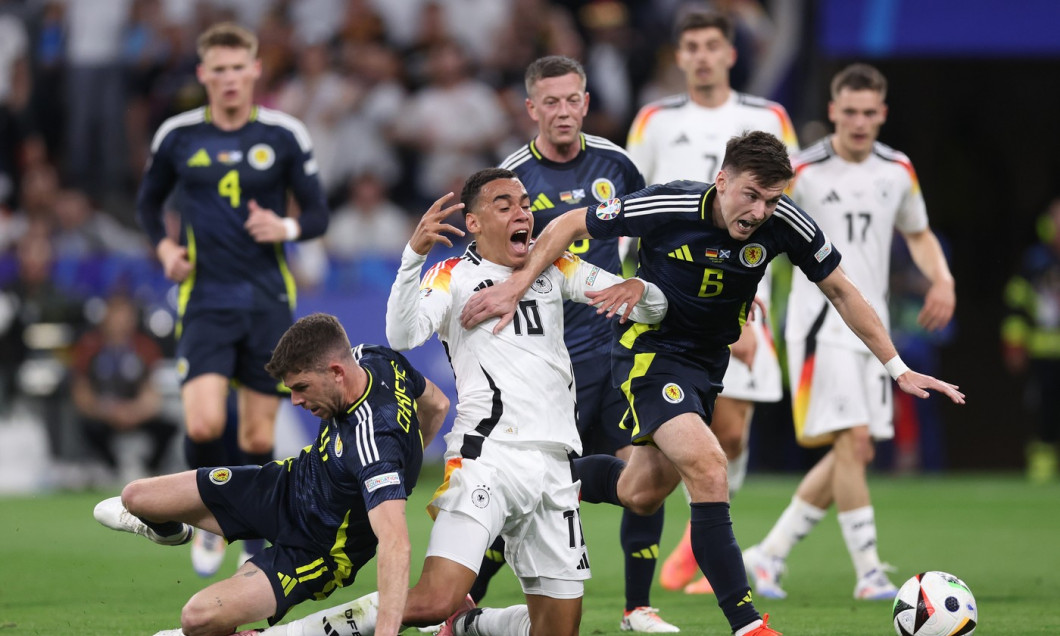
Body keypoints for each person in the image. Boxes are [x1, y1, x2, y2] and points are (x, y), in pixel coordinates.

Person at [460, 131, 967, 636]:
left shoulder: (785, 223)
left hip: (707, 366)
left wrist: (897, 367)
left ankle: (542, 482)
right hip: (650, 354)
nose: (760, 211)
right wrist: (514, 287)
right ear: (721, 181)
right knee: (708, 467)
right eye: (751, 195)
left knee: (639, 492)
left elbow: (841, 289)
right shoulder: (672, 202)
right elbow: (573, 221)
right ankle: (747, 624)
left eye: (772, 199)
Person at [253, 167, 667, 636]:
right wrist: (413, 256)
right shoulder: (451, 276)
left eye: (525, 204)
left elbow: (654, 307)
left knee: (557, 631)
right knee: (432, 600)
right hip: (487, 456)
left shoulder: (553, 265)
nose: (522, 214)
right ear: (473, 222)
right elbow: (401, 335)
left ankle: (467, 625)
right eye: (504, 205)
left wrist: (638, 288)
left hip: (554, 465)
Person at [474, 55, 677, 633]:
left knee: (648, 471)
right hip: (547, 359)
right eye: (551, 102)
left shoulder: (617, 163)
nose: (563, 112)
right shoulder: (513, 178)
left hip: (620, 347)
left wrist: (662, 294)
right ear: (531, 108)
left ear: (586, 103)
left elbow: (654, 236)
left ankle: (638, 606)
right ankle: (462, 600)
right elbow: (490, 260)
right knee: (528, 485)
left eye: (572, 100)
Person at [739, 64, 956, 601]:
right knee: (852, 441)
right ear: (833, 111)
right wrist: (750, 307)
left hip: (870, 327)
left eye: (869, 112)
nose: (859, 122)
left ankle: (768, 554)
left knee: (852, 452)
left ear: (882, 114)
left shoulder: (897, 170)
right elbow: (760, 243)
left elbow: (919, 232)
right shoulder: (803, 174)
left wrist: (943, 280)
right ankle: (868, 574)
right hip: (819, 328)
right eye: (849, 111)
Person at [93, 312, 450, 636]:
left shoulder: (374, 446)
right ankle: (175, 533)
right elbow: (437, 404)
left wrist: (393, 477)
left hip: (315, 549)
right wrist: (407, 464)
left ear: (336, 374)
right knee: (136, 498)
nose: (295, 401)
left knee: (197, 619)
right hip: (286, 485)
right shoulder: (376, 357)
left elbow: (396, 543)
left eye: (301, 388)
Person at [135, 22, 330, 576]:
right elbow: (148, 206)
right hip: (204, 300)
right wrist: (165, 247)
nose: (227, 79)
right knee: (200, 424)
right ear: (203, 75)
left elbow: (317, 213)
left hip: (268, 301)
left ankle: (249, 531)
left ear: (254, 71)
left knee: (255, 435)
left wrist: (285, 227)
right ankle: (206, 520)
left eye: (236, 68)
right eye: (216, 70)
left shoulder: (284, 134)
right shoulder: (178, 136)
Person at [625, 9, 799, 595]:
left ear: (731, 53)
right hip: (669, 299)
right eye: (691, 46)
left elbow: (784, 210)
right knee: (700, 441)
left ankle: (693, 542)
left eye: (712, 45)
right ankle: (696, 554)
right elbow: (630, 207)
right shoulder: (654, 119)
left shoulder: (766, 116)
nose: (701, 55)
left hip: (742, 293)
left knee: (734, 435)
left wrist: (759, 306)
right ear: (679, 57)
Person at [71, 293, 179, 479]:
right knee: (87, 427)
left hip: (135, 411)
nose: (120, 322)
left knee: (167, 428)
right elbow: (81, 393)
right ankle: (108, 470)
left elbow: (152, 393)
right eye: (116, 316)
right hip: (103, 413)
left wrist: (134, 412)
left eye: (126, 316)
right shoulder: (89, 346)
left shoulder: (145, 346)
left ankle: (151, 471)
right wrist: (107, 411)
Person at [1003, 197, 1060, 483]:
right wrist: (1015, 344)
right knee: (1045, 415)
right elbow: (1016, 305)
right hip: (1043, 351)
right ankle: (1042, 477)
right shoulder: (1034, 261)